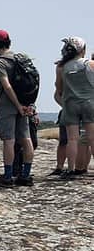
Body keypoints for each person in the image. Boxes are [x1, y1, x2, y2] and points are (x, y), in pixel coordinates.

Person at [0, 30, 36, 187]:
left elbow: (6, 86)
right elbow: (33, 82)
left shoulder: (0, 62)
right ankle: (25, 176)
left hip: (8, 105)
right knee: (26, 138)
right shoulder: (22, 58)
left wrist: (17, 105)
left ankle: (7, 177)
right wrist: (28, 105)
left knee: (9, 140)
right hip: (25, 104)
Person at [54, 36, 94, 180]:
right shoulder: (90, 64)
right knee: (92, 138)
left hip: (70, 103)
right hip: (90, 103)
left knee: (72, 139)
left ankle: (70, 169)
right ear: (82, 49)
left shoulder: (61, 67)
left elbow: (59, 89)